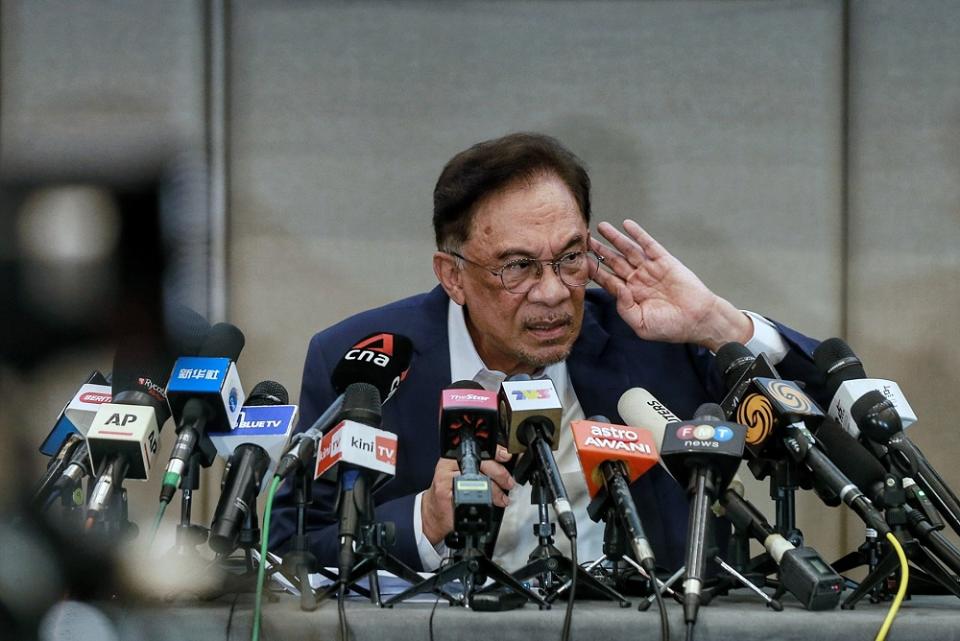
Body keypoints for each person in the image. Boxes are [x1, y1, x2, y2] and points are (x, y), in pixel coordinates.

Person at [269, 132, 823, 574]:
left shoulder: (653, 341)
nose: (554, 291)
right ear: (453, 276)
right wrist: (424, 520)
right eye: (517, 266)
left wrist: (717, 325)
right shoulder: (364, 359)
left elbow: (839, 425)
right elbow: (293, 540)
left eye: (570, 257)